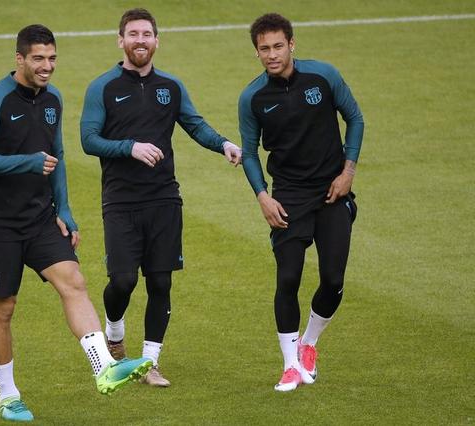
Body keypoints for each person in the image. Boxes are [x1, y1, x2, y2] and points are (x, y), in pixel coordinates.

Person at [0, 24, 152, 421]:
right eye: (38, 59)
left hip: (40, 219)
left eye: (51, 58)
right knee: (3, 308)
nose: (47, 66)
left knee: (75, 281)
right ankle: (8, 395)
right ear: (19, 59)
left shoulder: (53, 100)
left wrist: (63, 209)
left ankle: (103, 369)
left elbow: (58, 155)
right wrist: (26, 163)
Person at [80, 8, 241, 387]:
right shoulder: (102, 87)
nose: (140, 41)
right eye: (133, 34)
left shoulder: (170, 86)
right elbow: (88, 140)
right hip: (120, 201)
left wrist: (223, 144)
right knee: (121, 281)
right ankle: (114, 332)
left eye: (147, 34)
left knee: (161, 283)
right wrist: (129, 147)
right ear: (120, 40)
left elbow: (194, 124)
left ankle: (149, 363)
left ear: (156, 41)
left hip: (164, 198)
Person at [239, 13, 364, 392]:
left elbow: (355, 118)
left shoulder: (323, 76)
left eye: (278, 46)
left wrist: (347, 172)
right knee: (289, 277)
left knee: (333, 280)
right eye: (264, 49)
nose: (272, 54)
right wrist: (263, 196)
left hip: (332, 191)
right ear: (257, 52)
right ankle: (290, 364)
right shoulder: (253, 97)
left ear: (292, 44)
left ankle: (308, 343)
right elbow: (248, 152)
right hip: (289, 195)